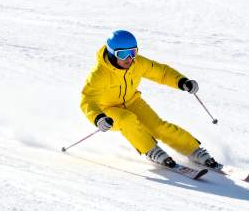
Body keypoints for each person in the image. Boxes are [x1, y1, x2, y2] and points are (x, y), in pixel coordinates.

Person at [80, 30, 218, 168]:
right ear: (111, 53)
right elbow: (87, 99)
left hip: (133, 102)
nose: (129, 58)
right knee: (126, 119)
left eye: (133, 52)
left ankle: (194, 150)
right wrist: (98, 118)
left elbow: (161, 73)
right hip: (108, 110)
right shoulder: (99, 74)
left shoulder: (137, 63)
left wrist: (182, 81)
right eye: (122, 54)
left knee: (158, 126)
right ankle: (151, 150)